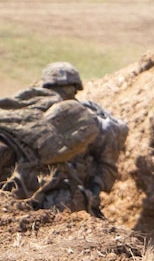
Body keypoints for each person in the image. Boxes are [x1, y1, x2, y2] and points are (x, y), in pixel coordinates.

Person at [0, 62, 126, 215]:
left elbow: (106, 168)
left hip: (43, 194)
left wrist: (92, 193)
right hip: (55, 197)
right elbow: (107, 168)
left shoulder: (23, 107)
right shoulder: (87, 121)